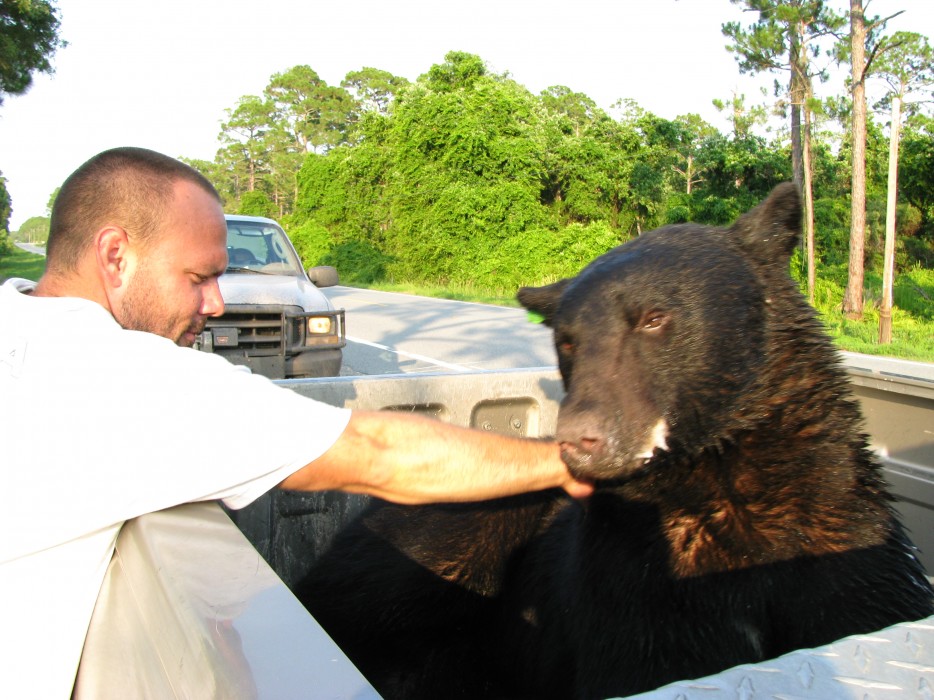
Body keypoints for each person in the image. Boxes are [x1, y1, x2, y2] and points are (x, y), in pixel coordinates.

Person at [0, 146, 593, 698]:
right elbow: (378, 452)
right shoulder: (114, 378)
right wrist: (564, 460)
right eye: (199, 277)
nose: (213, 306)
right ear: (115, 256)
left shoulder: (18, 319)